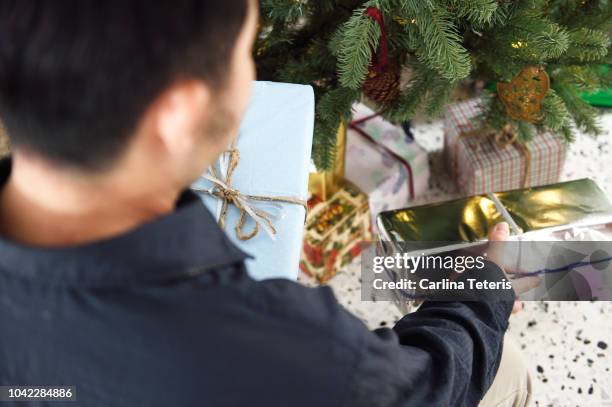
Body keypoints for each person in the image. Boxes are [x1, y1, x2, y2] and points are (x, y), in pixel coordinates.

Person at [0, 1, 533, 406]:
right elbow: (428, 387)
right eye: (244, 52)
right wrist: (481, 289)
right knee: (508, 370)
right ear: (176, 114)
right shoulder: (280, 345)